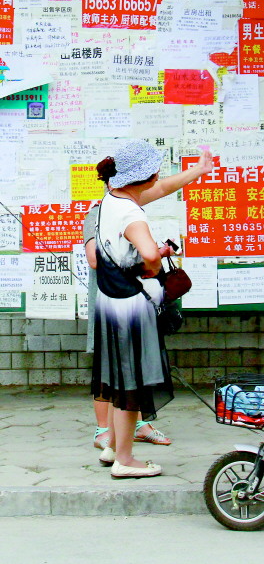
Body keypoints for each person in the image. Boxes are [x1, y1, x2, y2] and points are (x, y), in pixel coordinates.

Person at [91, 139, 213, 478]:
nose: (159, 176)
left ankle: (112, 446)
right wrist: (155, 261)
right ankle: (125, 461)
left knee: (118, 379)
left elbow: (161, 189)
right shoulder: (131, 214)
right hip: (131, 308)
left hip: (110, 303)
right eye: (155, 171)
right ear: (143, 177)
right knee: (133, 383)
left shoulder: (113, 198)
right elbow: (147, 253)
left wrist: (197, 171)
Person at [84, 192, 171, 451]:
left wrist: (153, 254)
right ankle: (104, 431)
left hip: (134, 303)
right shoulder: (97, 213)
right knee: (108, 369)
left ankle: (139, 425)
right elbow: (94, 259)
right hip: (110, 302)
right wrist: (148, 257)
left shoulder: (130, 214)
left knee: (135, 365)